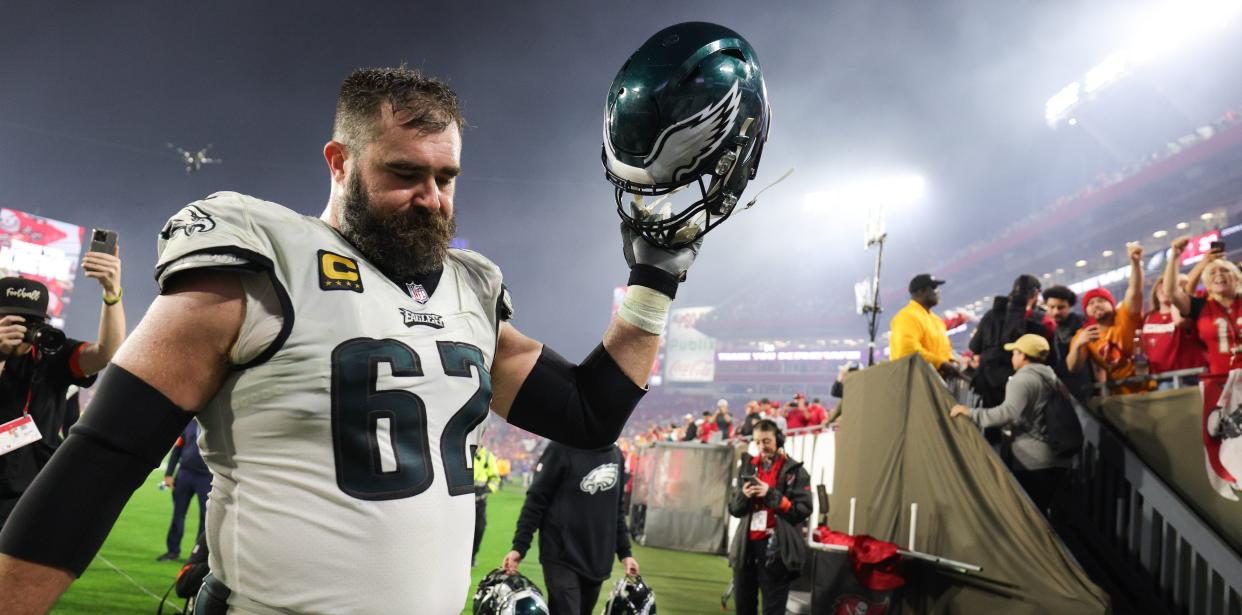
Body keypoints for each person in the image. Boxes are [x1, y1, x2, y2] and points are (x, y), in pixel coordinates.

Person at [0, 64, 714, 614]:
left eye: (446, 176)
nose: (432, 197)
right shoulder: (261, 260)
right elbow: (103, 457)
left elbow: (587, 413)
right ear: (339, 162)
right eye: (404, 173)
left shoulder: (470, 289)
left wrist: (654, 277)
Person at [0, 253, 125, 529]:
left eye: (31, 322)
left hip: (35, 487)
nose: (22, 330)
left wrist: (111, 293)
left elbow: (107, 353)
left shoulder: (51, 354)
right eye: (12, 320)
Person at [502, 442, 639, 615]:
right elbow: (535, 501)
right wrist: (519, 547)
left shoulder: (615, 454)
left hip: (598, 560)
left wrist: (625, 553)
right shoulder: (560, 449)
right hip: (560, 556)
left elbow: (616, 509)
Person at [951, 334, 1070, 514]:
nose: (1012, 357)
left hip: (1033, 459)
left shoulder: (1022, 380)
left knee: (1028, 515)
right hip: (1056, 457)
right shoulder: (1051, 378)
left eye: (1014, 353)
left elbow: (1006, 413)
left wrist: (970, 412)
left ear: (1023, 355)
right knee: (1043, 512)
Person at [1165, 237, 1240, 494]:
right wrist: (1175, 256)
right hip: (1221, 386)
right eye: (1213, 272)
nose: (1219, 274)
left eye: (1225, 270)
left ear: (1237, 278)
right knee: (1225, 442)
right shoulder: (1200, 307)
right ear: (1206, 284)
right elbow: (1173, 293)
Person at [727, 419, 811, 615]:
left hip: (777, 549)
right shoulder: (747, 469)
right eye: (757, 442)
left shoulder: (795, 471)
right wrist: (744, 496)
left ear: (778, 439)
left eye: (766, 441)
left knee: (773, 608)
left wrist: (770, 493)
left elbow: (803, 510)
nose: (761, 446)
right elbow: (734, 509)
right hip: (746, 548)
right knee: (743, 606)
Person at [1066, 244, 1154, 395]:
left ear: (1112, 304)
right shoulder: (1085, 334)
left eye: (1101, 300)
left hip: (1150, 387)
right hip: (1120, 397)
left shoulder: (1124, 315)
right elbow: (1073, 367)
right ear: (1086, 311)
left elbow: (1135, 291)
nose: (1096, 305)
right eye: (1091, 303)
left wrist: (1135, 263)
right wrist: (1078, 345)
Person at [969, 274, 1055, 408]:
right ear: (1035, 294)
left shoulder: (991, 314)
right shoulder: (1037, 322)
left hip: (985, 382)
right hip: (1016, 386)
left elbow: (974, 347)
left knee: (989, 422)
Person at [158, 419, 211, 562]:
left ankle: (198, 556)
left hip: (207, 477)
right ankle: (172, 551)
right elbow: (177, 450)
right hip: (184, 474)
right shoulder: (189, 424)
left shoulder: (216, 423)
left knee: (205, 518)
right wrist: (169, 474)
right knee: (178, 514)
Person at [1141, 269, 1207, 386]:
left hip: (1190, 378)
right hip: (1159, 380)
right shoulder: (1148, 317)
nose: (1164, 289)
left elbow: (1180, 321)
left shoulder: (1182, 311)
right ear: (1155, 291)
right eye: (1162, 285)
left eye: (1169, 286)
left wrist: (1177, 293)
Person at [889, 273, 961, 380]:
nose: (937, 291)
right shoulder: (906, 316)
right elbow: (907, 351)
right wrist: (941, 364)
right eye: (933, 288)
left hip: (934, 381)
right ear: (920, 291)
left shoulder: (936, 320)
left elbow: (943, 351)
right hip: (914, 384)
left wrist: (952, 361)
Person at [1043, 285, 1093, 402]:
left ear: (1069, 306)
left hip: (1082, 387)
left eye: (1061, 307)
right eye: (1052, 307)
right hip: (1058, 389)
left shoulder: (1082, 325)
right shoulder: (1044, 328)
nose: (1056, 312)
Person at [472, 437, 501, 567]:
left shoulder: (489, 457)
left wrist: (486, 490)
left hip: (480, 500)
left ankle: (472, 556)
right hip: (464, 498)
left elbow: (495, 479)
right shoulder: (464, 454)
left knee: (479, 529)